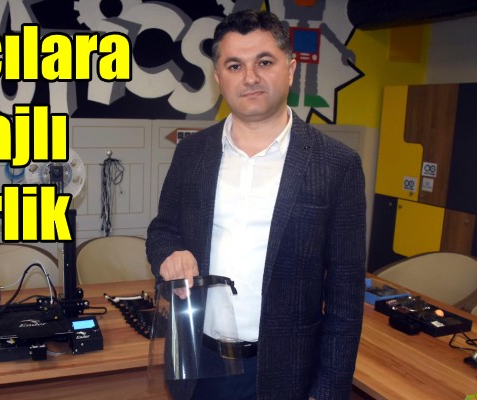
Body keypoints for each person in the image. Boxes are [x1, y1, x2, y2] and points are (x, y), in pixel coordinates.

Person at [146, 9, 366, 400]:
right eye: (235, 65)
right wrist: (169, 254)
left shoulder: (337, 164)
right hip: (196, 361)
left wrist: (329, 391)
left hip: (285, 370)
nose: (249, 77)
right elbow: (162, 231)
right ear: (219, 77)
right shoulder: (192, 153)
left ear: (290, 69)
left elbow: (346, 297)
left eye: (264, 62)